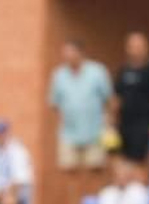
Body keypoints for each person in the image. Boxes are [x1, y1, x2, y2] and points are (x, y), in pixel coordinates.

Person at [48, 40, 111, 175]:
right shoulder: (59, 75)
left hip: (94, 131)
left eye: (70, 52)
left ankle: (92, 197)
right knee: (69, 170)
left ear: (80, 53)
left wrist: (108, 123)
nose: (67, 56)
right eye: (65, 53)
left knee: (95, 169)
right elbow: (55, 103)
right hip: (69, 133)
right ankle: (73, 197)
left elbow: (108, 99)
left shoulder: (97, 71)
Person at [111, 32, 149, 169]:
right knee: (123, 160)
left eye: (139, 46)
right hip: (125, 124)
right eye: (132, 46)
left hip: (145, 125)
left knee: (142, 162)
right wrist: (112, 122)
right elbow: (116, 98)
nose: (136, 50)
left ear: (146, 48)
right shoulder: (123, 71)